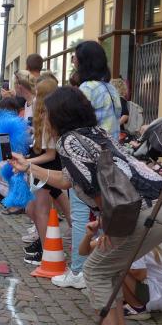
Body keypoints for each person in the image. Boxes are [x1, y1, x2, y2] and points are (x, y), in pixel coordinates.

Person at [11, 86, 162, 325]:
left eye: (47, 114)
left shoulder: (69, 141)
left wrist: (110, 227)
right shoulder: (95, 132)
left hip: (145, 210)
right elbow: (68, 180)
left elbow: (94, 187)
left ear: (60, 115)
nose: (45, 119)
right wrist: (29, 166)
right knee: (109, 270)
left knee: (94, 271)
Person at [52, 41, 121, 290]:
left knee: (81, 214)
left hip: (88, 159)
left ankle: (79, 271)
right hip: (111, 158)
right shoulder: (110, 89)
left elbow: (76, 122)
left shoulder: (87, 88)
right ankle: (100, 268)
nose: (73, 61)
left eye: (75, 57)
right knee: (103, 216)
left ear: (83, 61)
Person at [21, 77, 72, 265]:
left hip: (46, 168)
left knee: (40, 211)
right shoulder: (44, 117)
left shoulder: (48, 119)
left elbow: (50, 155)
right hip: (43, 166)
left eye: (37, 94)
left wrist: (28, 163)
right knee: (35, 209)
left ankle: (47, 252)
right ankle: (48, 245)